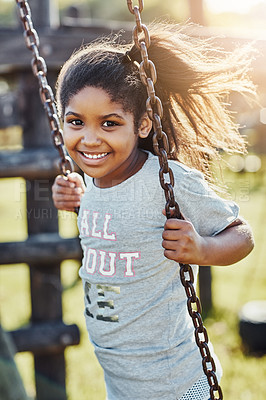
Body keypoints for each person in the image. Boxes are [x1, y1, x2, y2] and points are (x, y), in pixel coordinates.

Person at [52, 22, 255, 400]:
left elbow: (242, 236)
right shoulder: (93, 179)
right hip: (121, 382)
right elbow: (114, 219)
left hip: (176, 384)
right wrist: (72, 200)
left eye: (110, 124)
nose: (90, 138)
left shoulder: (165, 179)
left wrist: (203, 250)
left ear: (142, 124)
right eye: (76, 122)